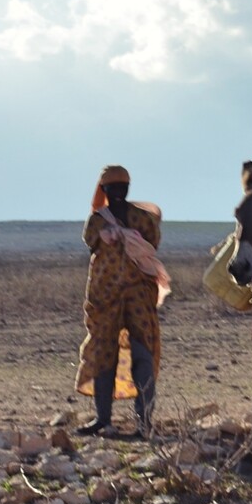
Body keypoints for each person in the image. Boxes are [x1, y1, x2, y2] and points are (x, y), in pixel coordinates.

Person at [76, 164, 171, 438]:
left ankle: (144, 423)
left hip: (139, 296)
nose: (118, 192)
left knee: (143, 354)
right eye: (113, 188)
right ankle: (103, 419)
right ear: (104, 190)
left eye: (123, 187)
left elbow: (152, 247)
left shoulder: (143, 220)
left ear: (128, 189)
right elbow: (90, 241)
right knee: (103, 355)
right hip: (105, 298)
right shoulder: (96, 222)